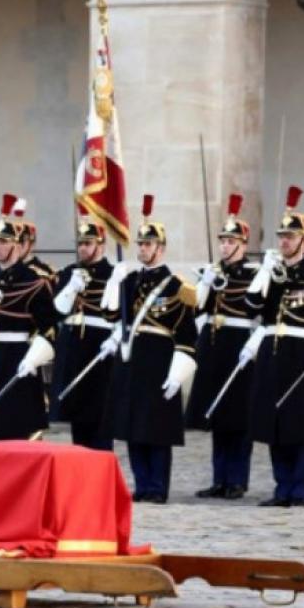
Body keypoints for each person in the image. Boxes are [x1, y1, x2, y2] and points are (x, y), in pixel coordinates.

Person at [245, 186, 304, 507]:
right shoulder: (273, 274)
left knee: (301, 424)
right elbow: (250, 307)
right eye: (281, 236)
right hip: (271, 352)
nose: (284, 241)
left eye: (291, 236)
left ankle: (300, 491)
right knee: (275, 422)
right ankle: (282, 489)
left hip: (302, 354)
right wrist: (264, 273)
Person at [105, 195, 198, 503]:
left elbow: (187, 334)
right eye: (141, 244)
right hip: (132, 360)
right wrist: (114, 283)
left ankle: (157, 487)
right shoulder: (130, 280)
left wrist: (178, 373)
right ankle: (142, 484)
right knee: (133, 427)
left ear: (161, 248)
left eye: (148, 244)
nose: (143, 249)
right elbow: (110, 315)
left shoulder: (176, 287)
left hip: (159, 362)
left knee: (156, 429)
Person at [0, 194, 59, 441]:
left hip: (16, 357)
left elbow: (50, 328)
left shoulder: (33, 281)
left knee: (13, 424)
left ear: (17, 245)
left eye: (3, 242)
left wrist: (34, 358)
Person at [184, 194, 257, 498]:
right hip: (214, 346)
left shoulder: (254, 274)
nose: (225, 246)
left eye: (231, 242)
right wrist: (205, 282)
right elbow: (197, 308)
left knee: (238, 417)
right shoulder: (214, 273)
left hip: (239, 345)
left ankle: (237, 480)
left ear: (243, 244)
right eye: (223, 241)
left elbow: (257, 310)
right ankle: (220, 478)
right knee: (216, 415)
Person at [49, 208, 118, 450]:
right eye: (80, 244)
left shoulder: (113, 274)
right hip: (73, 352)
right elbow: (57, 311)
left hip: (100, 351)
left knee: (99, 418)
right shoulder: (69, 272)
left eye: (88, 244)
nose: (82, 249)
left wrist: (116, 338)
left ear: (101, 245)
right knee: (78, 420)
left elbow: (121, 316)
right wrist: (71, 288)